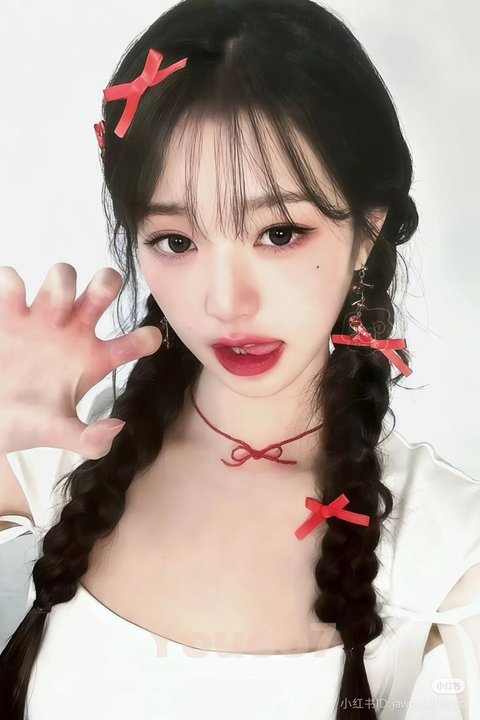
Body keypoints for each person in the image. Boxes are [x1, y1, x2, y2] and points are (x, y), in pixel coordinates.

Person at [0, 0, 479, 718]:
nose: (225, 302)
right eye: (176, 241)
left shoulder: (447, 548)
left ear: (368, 231)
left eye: (279, 233)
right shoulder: (66, 447)